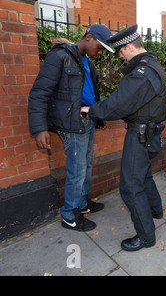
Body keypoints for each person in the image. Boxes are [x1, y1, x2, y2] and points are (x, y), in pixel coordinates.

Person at [81, 25, 166, 251]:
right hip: (150, 133)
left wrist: (91, 110)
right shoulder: (152, 65)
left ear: (129, 47)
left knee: (130, 187)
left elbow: (119, 103)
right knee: (144, 175)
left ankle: (146, 237)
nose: (120, 55)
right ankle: (156, 211)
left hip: (140, 135)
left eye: (120, 51)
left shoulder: (142, 73)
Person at [28, 24, 114, 232]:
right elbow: (39, 92)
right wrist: (40, 129)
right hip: (71, 122)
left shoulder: (89, 63)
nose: (100, 52)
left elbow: (91, 93)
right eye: (100, 47)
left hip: (88, 119)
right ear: (90, 37)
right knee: (76, 169)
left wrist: (97, 116)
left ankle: (82, 203)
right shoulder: (60, 56)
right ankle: (69, 214)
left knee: (86, 164)